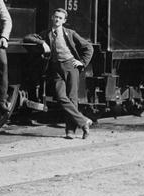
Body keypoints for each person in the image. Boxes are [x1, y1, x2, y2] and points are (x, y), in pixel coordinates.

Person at [24, 8, 93, 139]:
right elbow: (27, 37)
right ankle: (84, 121)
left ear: (64, 21)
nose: (57, 20)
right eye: (55, 17)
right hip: (56, 69)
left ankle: (71, 130)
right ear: (52, 18)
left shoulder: (70, 33)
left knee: (72, 98)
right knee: (61, 97)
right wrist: (42, 42)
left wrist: (82, 62)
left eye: (60, 18)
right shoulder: (46, 34)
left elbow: (88, 47)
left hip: (71, 66)